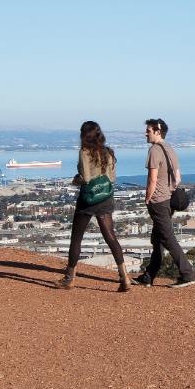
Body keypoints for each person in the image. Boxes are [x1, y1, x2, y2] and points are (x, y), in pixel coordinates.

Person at [58, 121, 131, 293]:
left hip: (88, 199)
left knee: (76, 238)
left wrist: (75, 180)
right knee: (111, 237)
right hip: (106, 198)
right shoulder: (109, 153)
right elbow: (112, 178)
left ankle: (69, 278)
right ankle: (125, 277)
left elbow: (86, 178)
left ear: (84, 135)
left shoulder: (84, 152)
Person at [136, 118, 195, 287]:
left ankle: (187, 274)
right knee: (158, 239)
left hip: (158, 200)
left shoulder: (154, 150)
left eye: (148, 131)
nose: (145, 133)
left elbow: (152, 179)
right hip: (168, 199)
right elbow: (178, 177)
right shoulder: (169, 148)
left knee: (167, 238)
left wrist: (148, 197)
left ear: (157, 132)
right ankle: (149, 276)